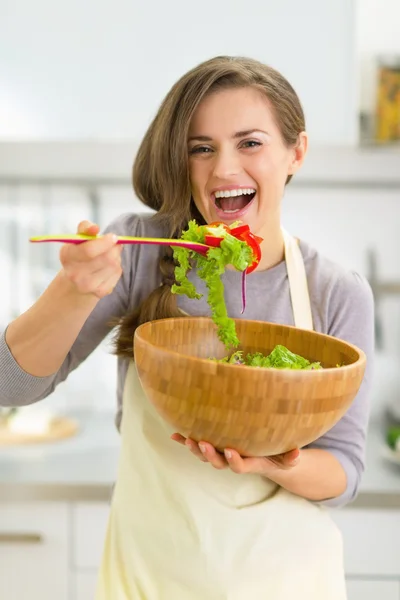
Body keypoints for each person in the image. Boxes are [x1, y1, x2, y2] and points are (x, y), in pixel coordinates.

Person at [1, 56, 374, 599]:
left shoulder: (336, 292)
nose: (223, 169)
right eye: (201, 148)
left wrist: (273, 462)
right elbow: (11, 386)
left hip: (288, 581)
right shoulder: (141, 254)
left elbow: (345, 470)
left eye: (250, 143)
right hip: (149, 578)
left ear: (296, 152)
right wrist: (72, 290)